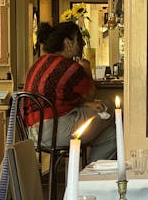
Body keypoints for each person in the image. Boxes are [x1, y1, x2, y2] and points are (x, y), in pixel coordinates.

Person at [22, 21, 117, 162]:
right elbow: (90, 95)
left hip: (33, 132)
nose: (83, 43)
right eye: (79, 39)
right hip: (56, 130)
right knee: (109, 106)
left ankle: (87, 176)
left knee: (112, 135)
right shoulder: (70, 67)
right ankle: (89, 178)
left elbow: (57, 99)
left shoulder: (38, 64)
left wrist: (84, 105)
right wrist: (86, 70)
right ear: (68, 42)